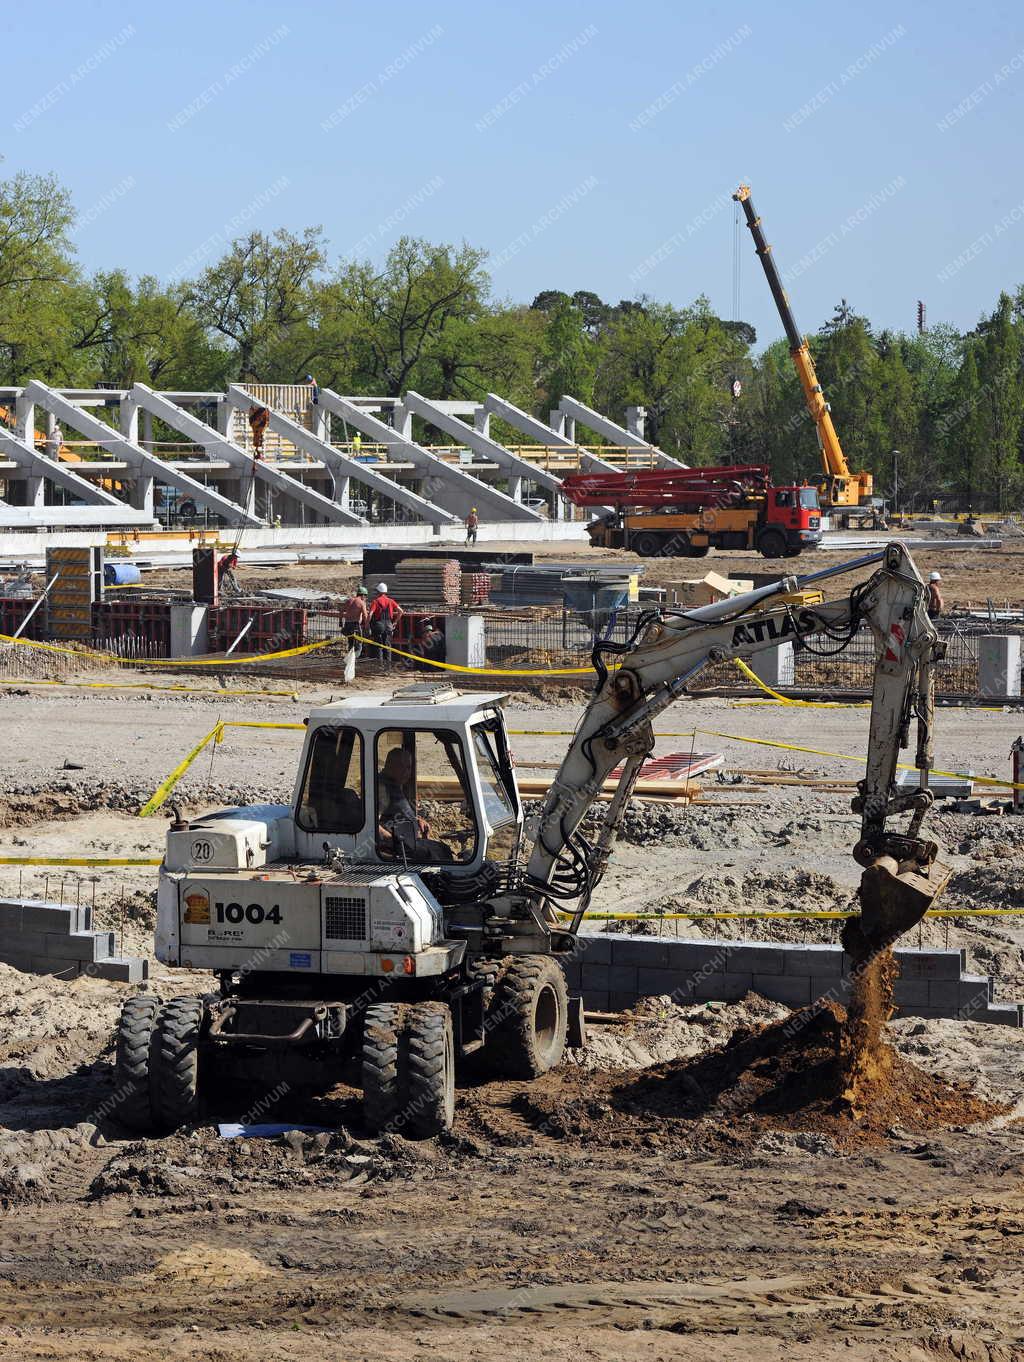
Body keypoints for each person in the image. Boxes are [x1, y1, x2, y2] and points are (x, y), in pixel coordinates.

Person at [376, 747, 451, 863]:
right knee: (436, 858)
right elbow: (372, 824)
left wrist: (415, 820)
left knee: (444, 849)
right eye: (402, 767)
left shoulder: (395, 784)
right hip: (396, 848)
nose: (407, 772)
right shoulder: (382, 788)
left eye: (409, 767)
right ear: (390, 765)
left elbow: (393, 814)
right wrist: (392, 840)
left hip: (408, 842)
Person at [368, 582, 402, 666]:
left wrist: (367, 624)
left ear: (378, 592)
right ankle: (388, 667)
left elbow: (370, 614)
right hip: (389, 626)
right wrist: (395, 622)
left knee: (379, 646)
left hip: (379, 625)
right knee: (387, 647)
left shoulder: (375, 601)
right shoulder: (391, 601)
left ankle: (380, 666)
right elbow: (401, 611)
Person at [341, 584, 369, 654]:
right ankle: (355, 659)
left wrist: (340, 622)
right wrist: (367, 626)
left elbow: (341, 611)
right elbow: (365, 616)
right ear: (363, 595)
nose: (365, 598)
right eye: (365, 596)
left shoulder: (349, 601)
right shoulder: (362, 603)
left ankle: (350, 659)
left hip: (347, 624)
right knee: (359, 644)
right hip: (355, 625)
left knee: (350, 643)